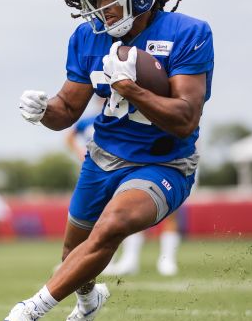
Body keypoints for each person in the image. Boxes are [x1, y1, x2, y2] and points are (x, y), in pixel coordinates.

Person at [2, 0, 214, 321]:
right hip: (103, 157)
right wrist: (44, 110)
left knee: (113, 225)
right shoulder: (88, 37)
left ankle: (31, 309)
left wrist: (132, 89)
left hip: (163, 161)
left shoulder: (189, 33)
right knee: (73, 256)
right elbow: (67, 110)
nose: (98, 5)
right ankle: (88, 303)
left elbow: (186, 119)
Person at [66, 103, 183, 278]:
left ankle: (167, 259)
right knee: (111, 215)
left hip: (158, 165)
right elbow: (70, 137)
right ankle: (125, 259)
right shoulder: (90, 120)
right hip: (103, 172)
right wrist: (81, 154)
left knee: (166, 213)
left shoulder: (137, 114)